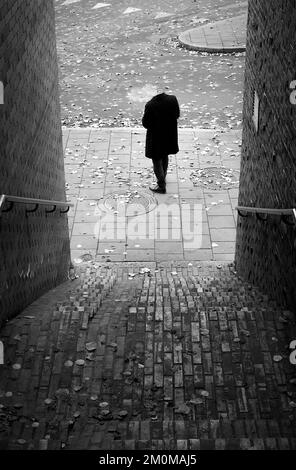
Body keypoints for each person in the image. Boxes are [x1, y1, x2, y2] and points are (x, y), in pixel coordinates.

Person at [142, 88, 180, 194]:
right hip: (169, 135)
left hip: (156, 137)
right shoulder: (172, 99)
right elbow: (177, 115)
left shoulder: (150, 105)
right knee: (165, 155)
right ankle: (164, 175)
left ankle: (161, 185)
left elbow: (146, 123)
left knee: (156, 160)